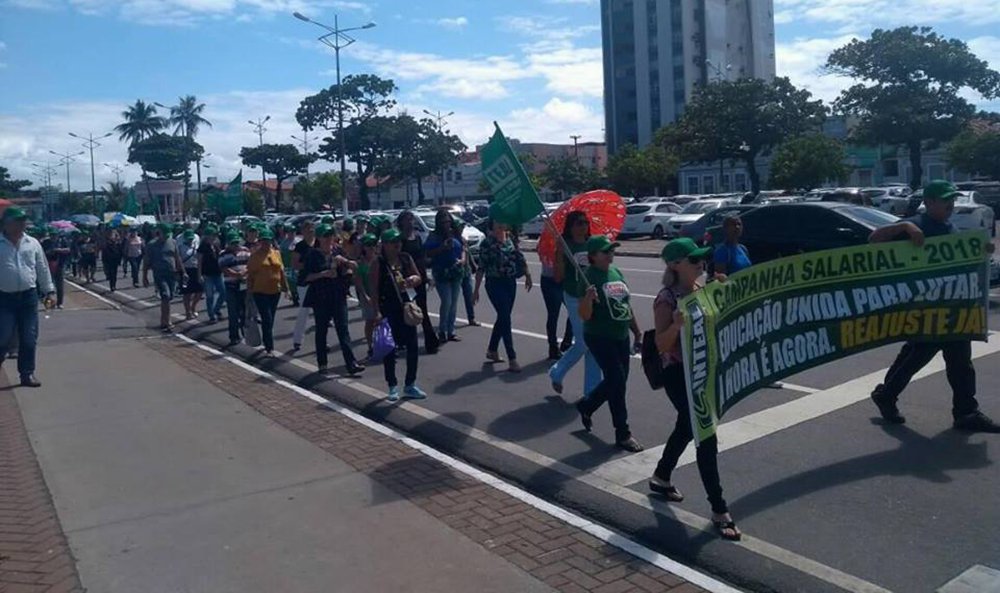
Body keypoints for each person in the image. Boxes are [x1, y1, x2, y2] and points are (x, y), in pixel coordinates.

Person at [868, 179, 1000, 433]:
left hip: (952, 309)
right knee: (916, 356)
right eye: (944, 199)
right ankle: (886, 395)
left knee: (960, 362)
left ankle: (966, 412)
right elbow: (874, 239)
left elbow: (964, 259)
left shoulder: (950, 228)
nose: (950, 204)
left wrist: (982, 250)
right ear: (928, 203)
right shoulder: (915, 225)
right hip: (926, 310)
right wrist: (905, 226)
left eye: (952, 199)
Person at [648, 237, 740, 541]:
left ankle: (661, 477)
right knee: (704, 433)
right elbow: (661, 343)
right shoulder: (667, 299)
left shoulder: (702, 290)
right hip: (679, 373)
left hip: (704, 368)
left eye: (701, 258)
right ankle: (719, 508)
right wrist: (675, 325)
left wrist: (724, 291)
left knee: (687, 428)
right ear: (676, 265)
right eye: (693, 259)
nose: (701, 263)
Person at [576, 235, 643, 453]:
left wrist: (637, 331)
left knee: (618, 382)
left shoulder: (616, 273)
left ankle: (587, 405)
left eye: (612, 250)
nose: (610, 254)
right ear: (593, 256)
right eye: (605, 251)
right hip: (599, 336)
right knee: (617, 380)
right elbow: (585, 315)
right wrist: (587, 298)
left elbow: (625, 305)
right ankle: (623, 433)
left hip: (621, 335)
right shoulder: (588, 277)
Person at [367, 229, 428, 402]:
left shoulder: (405, 258)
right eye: (393, 242)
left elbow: (418, 276)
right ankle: (392, 386)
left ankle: (410, 384)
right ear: (384, 245)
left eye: (398, 242)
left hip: (406, 306)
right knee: (389, 348)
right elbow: (374, 289)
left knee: (413, 346)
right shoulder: (378, 263)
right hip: (388, 308)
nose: (397, 245)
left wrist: (412, 280)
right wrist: (376, 311)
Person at [0, 207, 55, 387]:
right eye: (18, 221)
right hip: (4, 298)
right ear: (6, 224)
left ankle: (27, 374)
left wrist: (49, 290)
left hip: (28, 297)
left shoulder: (32, 243)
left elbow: (42, 268)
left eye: (23, 221)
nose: (22, 225)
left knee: (29, 337)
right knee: (3, 337)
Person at [549, 211, 601, 398]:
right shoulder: (565, 245)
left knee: (593, 343)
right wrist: (560, 254)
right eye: (578, 223)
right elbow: (558, 277)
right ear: (570, 226)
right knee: (583, 342)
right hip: (574, 296)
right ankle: (557, 371)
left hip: (592, 296)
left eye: (585, 222)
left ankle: (592, 392)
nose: (583, 226)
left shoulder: (592, 243)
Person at [303, 224, 365, 375]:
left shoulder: (337, 251)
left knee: (343, 329)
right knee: (322, 329)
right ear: (318, 238)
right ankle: (322, 363)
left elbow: (350, 265)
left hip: (338, 294)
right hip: (320, 297)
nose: (328, 239)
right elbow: (306, 277)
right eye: (325, 236)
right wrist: (323, 274)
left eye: (330, 235)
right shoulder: (312, 255)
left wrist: (348, 266)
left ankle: (351, 363)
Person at [474, 218, 532, 373]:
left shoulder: (510, 239)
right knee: (505, 318)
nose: (501, 226)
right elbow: (481, 268)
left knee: (503, 317)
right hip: (494, 283)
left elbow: (519, 257)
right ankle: (512, 357)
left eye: (502, 223)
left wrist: (527, 274)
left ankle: (492, 349)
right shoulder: (487, 243)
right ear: (491, 226)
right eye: (497, 223)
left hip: (510, 282)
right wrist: (476, 290)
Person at [397, 211, 440, 354]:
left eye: (412, 219)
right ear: (402, 222)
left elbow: (422, 257)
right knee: (408, 311)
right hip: (406, 280)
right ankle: (404, 340)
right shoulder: (400, 239)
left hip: (419, 278)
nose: (410, 222)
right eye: (407, 220)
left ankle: (431, 342)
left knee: (422, 311)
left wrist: (426, 277)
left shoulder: (417, 237)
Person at [246, 228, 289, 356]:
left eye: (268, 241)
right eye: (263, 241)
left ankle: (267, 340)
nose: (266, 243)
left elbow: (281, 271)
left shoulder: (276, 253)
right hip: (260, 291)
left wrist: (286, 288)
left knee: (271, 318)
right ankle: (269, 347)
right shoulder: (255, 256)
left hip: (275, 290)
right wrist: (249, 292)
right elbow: (250, 276)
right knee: (267, 318)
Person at [425, 208, 465, 343]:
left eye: (448, 221)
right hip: (441, 272)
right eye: (443, 222)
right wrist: (442, 248)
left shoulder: (455, 233)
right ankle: (442, 330)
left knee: (454, 303)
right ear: (438, 223)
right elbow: (427, 253)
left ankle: (451, 331)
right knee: (446, 301)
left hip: (456, 271)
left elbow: (464, 248)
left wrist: (463, 260)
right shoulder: (434, 236)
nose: (446, 224)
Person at [143, 223, 184, 332]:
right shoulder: (151, 245)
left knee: (169, 297)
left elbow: (177, 258)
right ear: (159, 233)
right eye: (163, 234)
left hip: (172, 273)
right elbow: (146, 261)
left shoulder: (173, 242)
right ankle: (167, 321)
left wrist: (183, 272)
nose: (165, 237)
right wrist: (145, 276)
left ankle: (163, 320)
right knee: (165, 295)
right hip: (159, 274)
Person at [218, 232, 251, 346]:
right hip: (231, 286)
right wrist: (237, 275)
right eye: (233, 243)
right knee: (233, 312)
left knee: (245, 311)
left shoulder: (246, 251)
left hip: (244, 285)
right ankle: (234, 336)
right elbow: (224, 269)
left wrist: (244, 273)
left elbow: (251, 265)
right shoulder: (223, 254)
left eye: (237, 243)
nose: (235, 245)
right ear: (228, 244)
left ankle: (245, 333)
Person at [291, 220, 317, 350]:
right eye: (307, 229)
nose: (310, 231)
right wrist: (308, 265)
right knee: (304, 311)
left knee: (320, 312)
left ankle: (321, 340)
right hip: (304, 282)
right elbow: (295, 264)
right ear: (302, 231)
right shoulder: (300, 246)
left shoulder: (318, 243)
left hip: (319, 281)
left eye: (311, 228)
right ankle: (297, 340)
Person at [356, 233, 379, 362]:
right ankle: (370, 346)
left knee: (382, 321)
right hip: (367, 296)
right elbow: (358, 282)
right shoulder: (360, 263)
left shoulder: (379, 260)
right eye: (368, 245)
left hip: (379, 295)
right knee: (370, 321)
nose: (371, 248)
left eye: (373, 245)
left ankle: (383, 344)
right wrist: (365, 296)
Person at [454, 219, 480, 327]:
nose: (462, 228)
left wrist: (474, 265)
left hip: (466, 271)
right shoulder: (452, 240)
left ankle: (471, 318)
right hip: (456, 272)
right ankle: (451, 321)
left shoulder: (463, 239)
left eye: (462, 227)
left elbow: (468, 254)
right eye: (460, 226)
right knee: (453, 299)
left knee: (469, 295)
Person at [198, 225, 225, 323]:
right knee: (210, 296)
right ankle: (211, 316)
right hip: (207, 274)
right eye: (212, 235)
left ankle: (216, 309)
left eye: (215, 235)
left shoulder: (217, 244)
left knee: (223, 293)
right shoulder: (202, 247)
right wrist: (199, 275)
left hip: (218, 272)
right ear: (207, 236)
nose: (214, 237)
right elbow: (199, 261)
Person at [41, 228, 70, 309]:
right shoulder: (46, 242)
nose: (53, 237)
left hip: (59, 265)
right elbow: (42, 252)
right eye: (52, 235)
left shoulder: (62, 241)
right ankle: (49, 302)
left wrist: (59, 250)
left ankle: (60, 303)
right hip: (48, 265)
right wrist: (51, 251)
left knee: (60, 285)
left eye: (55, 235)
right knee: (48, 285)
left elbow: (68, 249)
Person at [178, 229, 204, 320]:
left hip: (196, 268)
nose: (190, 240)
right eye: (188, 239)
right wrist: (183, 272)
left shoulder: (196, 241)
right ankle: (188, 311)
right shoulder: (180, 244)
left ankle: (193, 307)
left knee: (200, 291)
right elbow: (179, 258)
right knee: (187, 293)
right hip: (186, 269)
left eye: (191, 239)